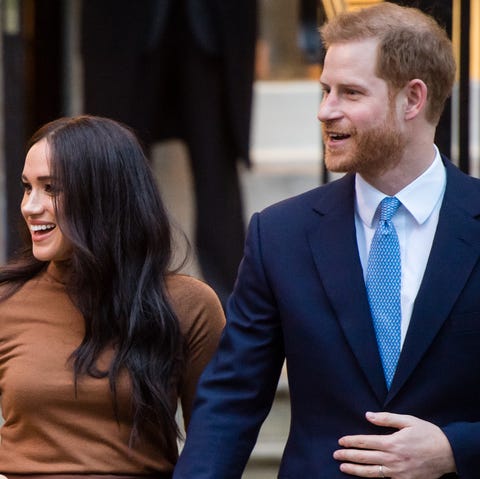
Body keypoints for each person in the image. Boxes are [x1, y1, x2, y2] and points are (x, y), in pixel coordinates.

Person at [173, 3, 478, 478]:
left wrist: (454, 448)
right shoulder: (279, 235)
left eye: (350, 92)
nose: (325, 111)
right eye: (325, 90)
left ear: (412, 99)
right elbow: (231, 402)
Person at [0, 115, 225, 477]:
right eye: (28, 187)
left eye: (51, 188)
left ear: (103, 195)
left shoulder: (189, 304)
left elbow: (216, 442)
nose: (30, 206)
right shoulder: (7, 300)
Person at [81, 0, 257, 306]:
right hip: (125, 28)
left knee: (218, 173)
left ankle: (235, 308)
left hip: (211, 28)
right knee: (114, 163)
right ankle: (113, 296)